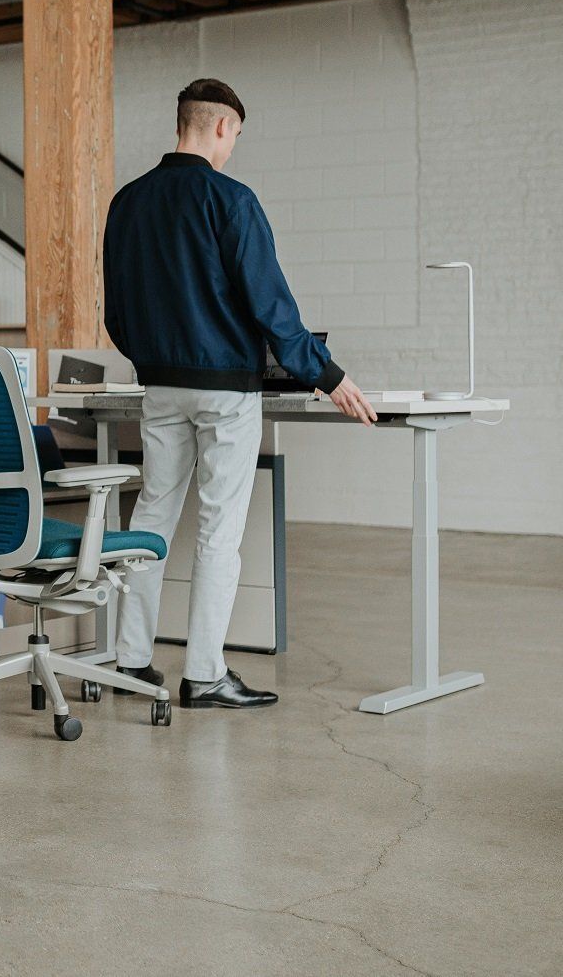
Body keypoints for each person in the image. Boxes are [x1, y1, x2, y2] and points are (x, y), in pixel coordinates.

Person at [103, 79, 377, 710]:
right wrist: (327, 374)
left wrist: (152, 357)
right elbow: (272, 307)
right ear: (222, 127)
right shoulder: (231, 200)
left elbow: (116, 312)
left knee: (150, 519)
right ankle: (203, 674)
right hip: (226, 393)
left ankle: (133, 662)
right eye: (236, 138)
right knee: (219, 532)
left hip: (160, 389)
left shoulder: (128, 202)